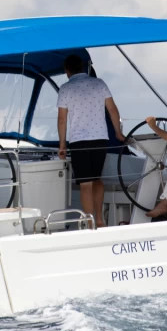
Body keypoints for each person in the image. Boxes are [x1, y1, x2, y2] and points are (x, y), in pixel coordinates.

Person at [57, 54, 124, 228]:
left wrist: (62, 145)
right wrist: (118, 133)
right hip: (100, 138)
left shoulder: (65, 88)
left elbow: (62, 120)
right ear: (82, 67)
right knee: (97, 179)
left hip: (79, 141)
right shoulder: (99, 83)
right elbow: (112, 109)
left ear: (67, 71)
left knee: (85, 184)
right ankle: (100, 219)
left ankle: (89, 222)